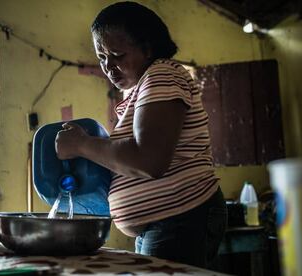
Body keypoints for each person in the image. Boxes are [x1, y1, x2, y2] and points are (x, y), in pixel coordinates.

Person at [55, 1, 227, 268]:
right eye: (102, 57)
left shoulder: (161, 75)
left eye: (117, 54)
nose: (108, 67)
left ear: (148, 47)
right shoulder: (142, 88)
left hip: (180, 219)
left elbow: (149, 159)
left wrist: (83, 145)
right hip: (166, 224)